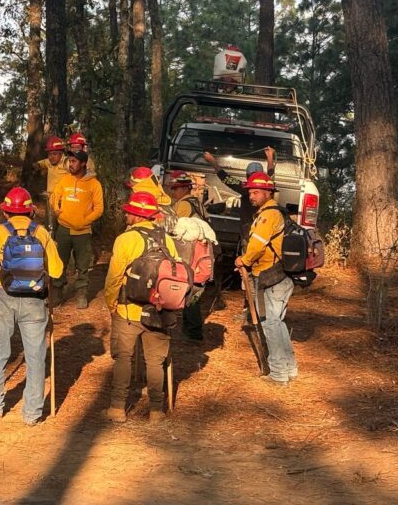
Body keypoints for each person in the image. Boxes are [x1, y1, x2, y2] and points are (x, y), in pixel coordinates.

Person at [0, 187, 63, 426]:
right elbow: (57, 270)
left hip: (3, 295)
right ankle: (32, 414)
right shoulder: (42, 234)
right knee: (36, 356)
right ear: (31, 212)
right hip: (36, 300)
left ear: (6, 212)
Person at [104, 190, 180, 424]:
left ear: (137, 215)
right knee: (155, 361)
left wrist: (112, 303)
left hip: (128, 310)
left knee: (123, 358)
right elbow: (175, 273)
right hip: (158, 310)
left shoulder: (126, 239)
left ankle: (117, 408)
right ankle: (156, 411)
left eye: (129, 212)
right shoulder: (166, 239)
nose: (126, 215)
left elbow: (114, 277)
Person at [234, 171, 296, 386]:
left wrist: (244, 260)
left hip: (272, 275)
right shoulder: (276, 212)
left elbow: (257, 245)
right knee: (277, 322)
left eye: (256, 192)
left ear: (268, 193)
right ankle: (289, 368)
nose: (252, 195)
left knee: (270, 323)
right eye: (250, 192)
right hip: (281, 275)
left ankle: (278, 374)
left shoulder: (268, 215)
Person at [49, 150, 104, 309]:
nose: (70, 164)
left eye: (73, 161)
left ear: (83, 164)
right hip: (63, 229)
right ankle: (57, 294)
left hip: (83, 232)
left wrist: (84, 221)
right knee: (59, 262)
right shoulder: (65, 180)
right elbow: (55, 197)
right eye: (70, 161)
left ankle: (81, 294)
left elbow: (99, 208)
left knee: (83, 265)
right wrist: (57, 209)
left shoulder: (94, 184)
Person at [203, 146, 276, 252]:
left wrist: (213, 161)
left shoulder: (245, 187)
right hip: (265, 232)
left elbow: (226, 178)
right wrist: (270, 157)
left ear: (247, 176)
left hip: (249, 233)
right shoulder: (267, 186)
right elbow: (271, 174)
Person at [166, 169, 209, 342]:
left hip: (188, 252)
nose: (173, 192)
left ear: (184, 188)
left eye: (175, 189)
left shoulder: (183, 205)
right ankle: (190, 330)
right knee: (193, 289)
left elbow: (174, 229)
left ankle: (193, 333)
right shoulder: (197, 202)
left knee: (189, 291)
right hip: (200, 253)